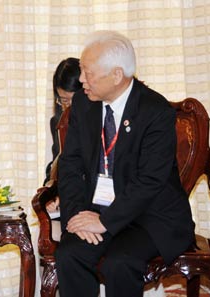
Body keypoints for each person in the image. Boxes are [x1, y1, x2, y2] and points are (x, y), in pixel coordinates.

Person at [55, 30, 195, 297]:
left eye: (88, 72)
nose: (81, 79)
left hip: (149, 217)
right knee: (70, 254)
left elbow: (150, 181)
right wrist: (75, 216)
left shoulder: (155, 112)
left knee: (120, 263)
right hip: (98, 211)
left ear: (116, 75)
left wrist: (105, 221)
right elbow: (69, 164)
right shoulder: (85, 103)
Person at [44, 58, 82, 213]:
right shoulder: (57, 122)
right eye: (63, 100)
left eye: (74, 100)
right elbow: (57, 162)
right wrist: (52, 193)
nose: (68, 107)